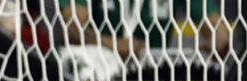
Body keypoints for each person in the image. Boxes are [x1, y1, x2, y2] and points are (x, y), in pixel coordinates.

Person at [58, 0, 231, 60]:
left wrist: (218, 39)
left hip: (152, 78)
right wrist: (112, 44)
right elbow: (71, 28)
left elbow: (218, 31)